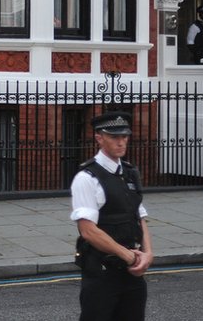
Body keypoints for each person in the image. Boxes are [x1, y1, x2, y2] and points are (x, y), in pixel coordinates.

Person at [71, 111, 153, 321]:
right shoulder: (87, 177)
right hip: (102, 271)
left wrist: (148, 254)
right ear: (99, 138)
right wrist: (127, 255)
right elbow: (88, 230)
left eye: (124, 136)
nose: (121, 142)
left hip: (132, 271)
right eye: (114, 137)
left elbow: (139, 216)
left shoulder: (130, 172)